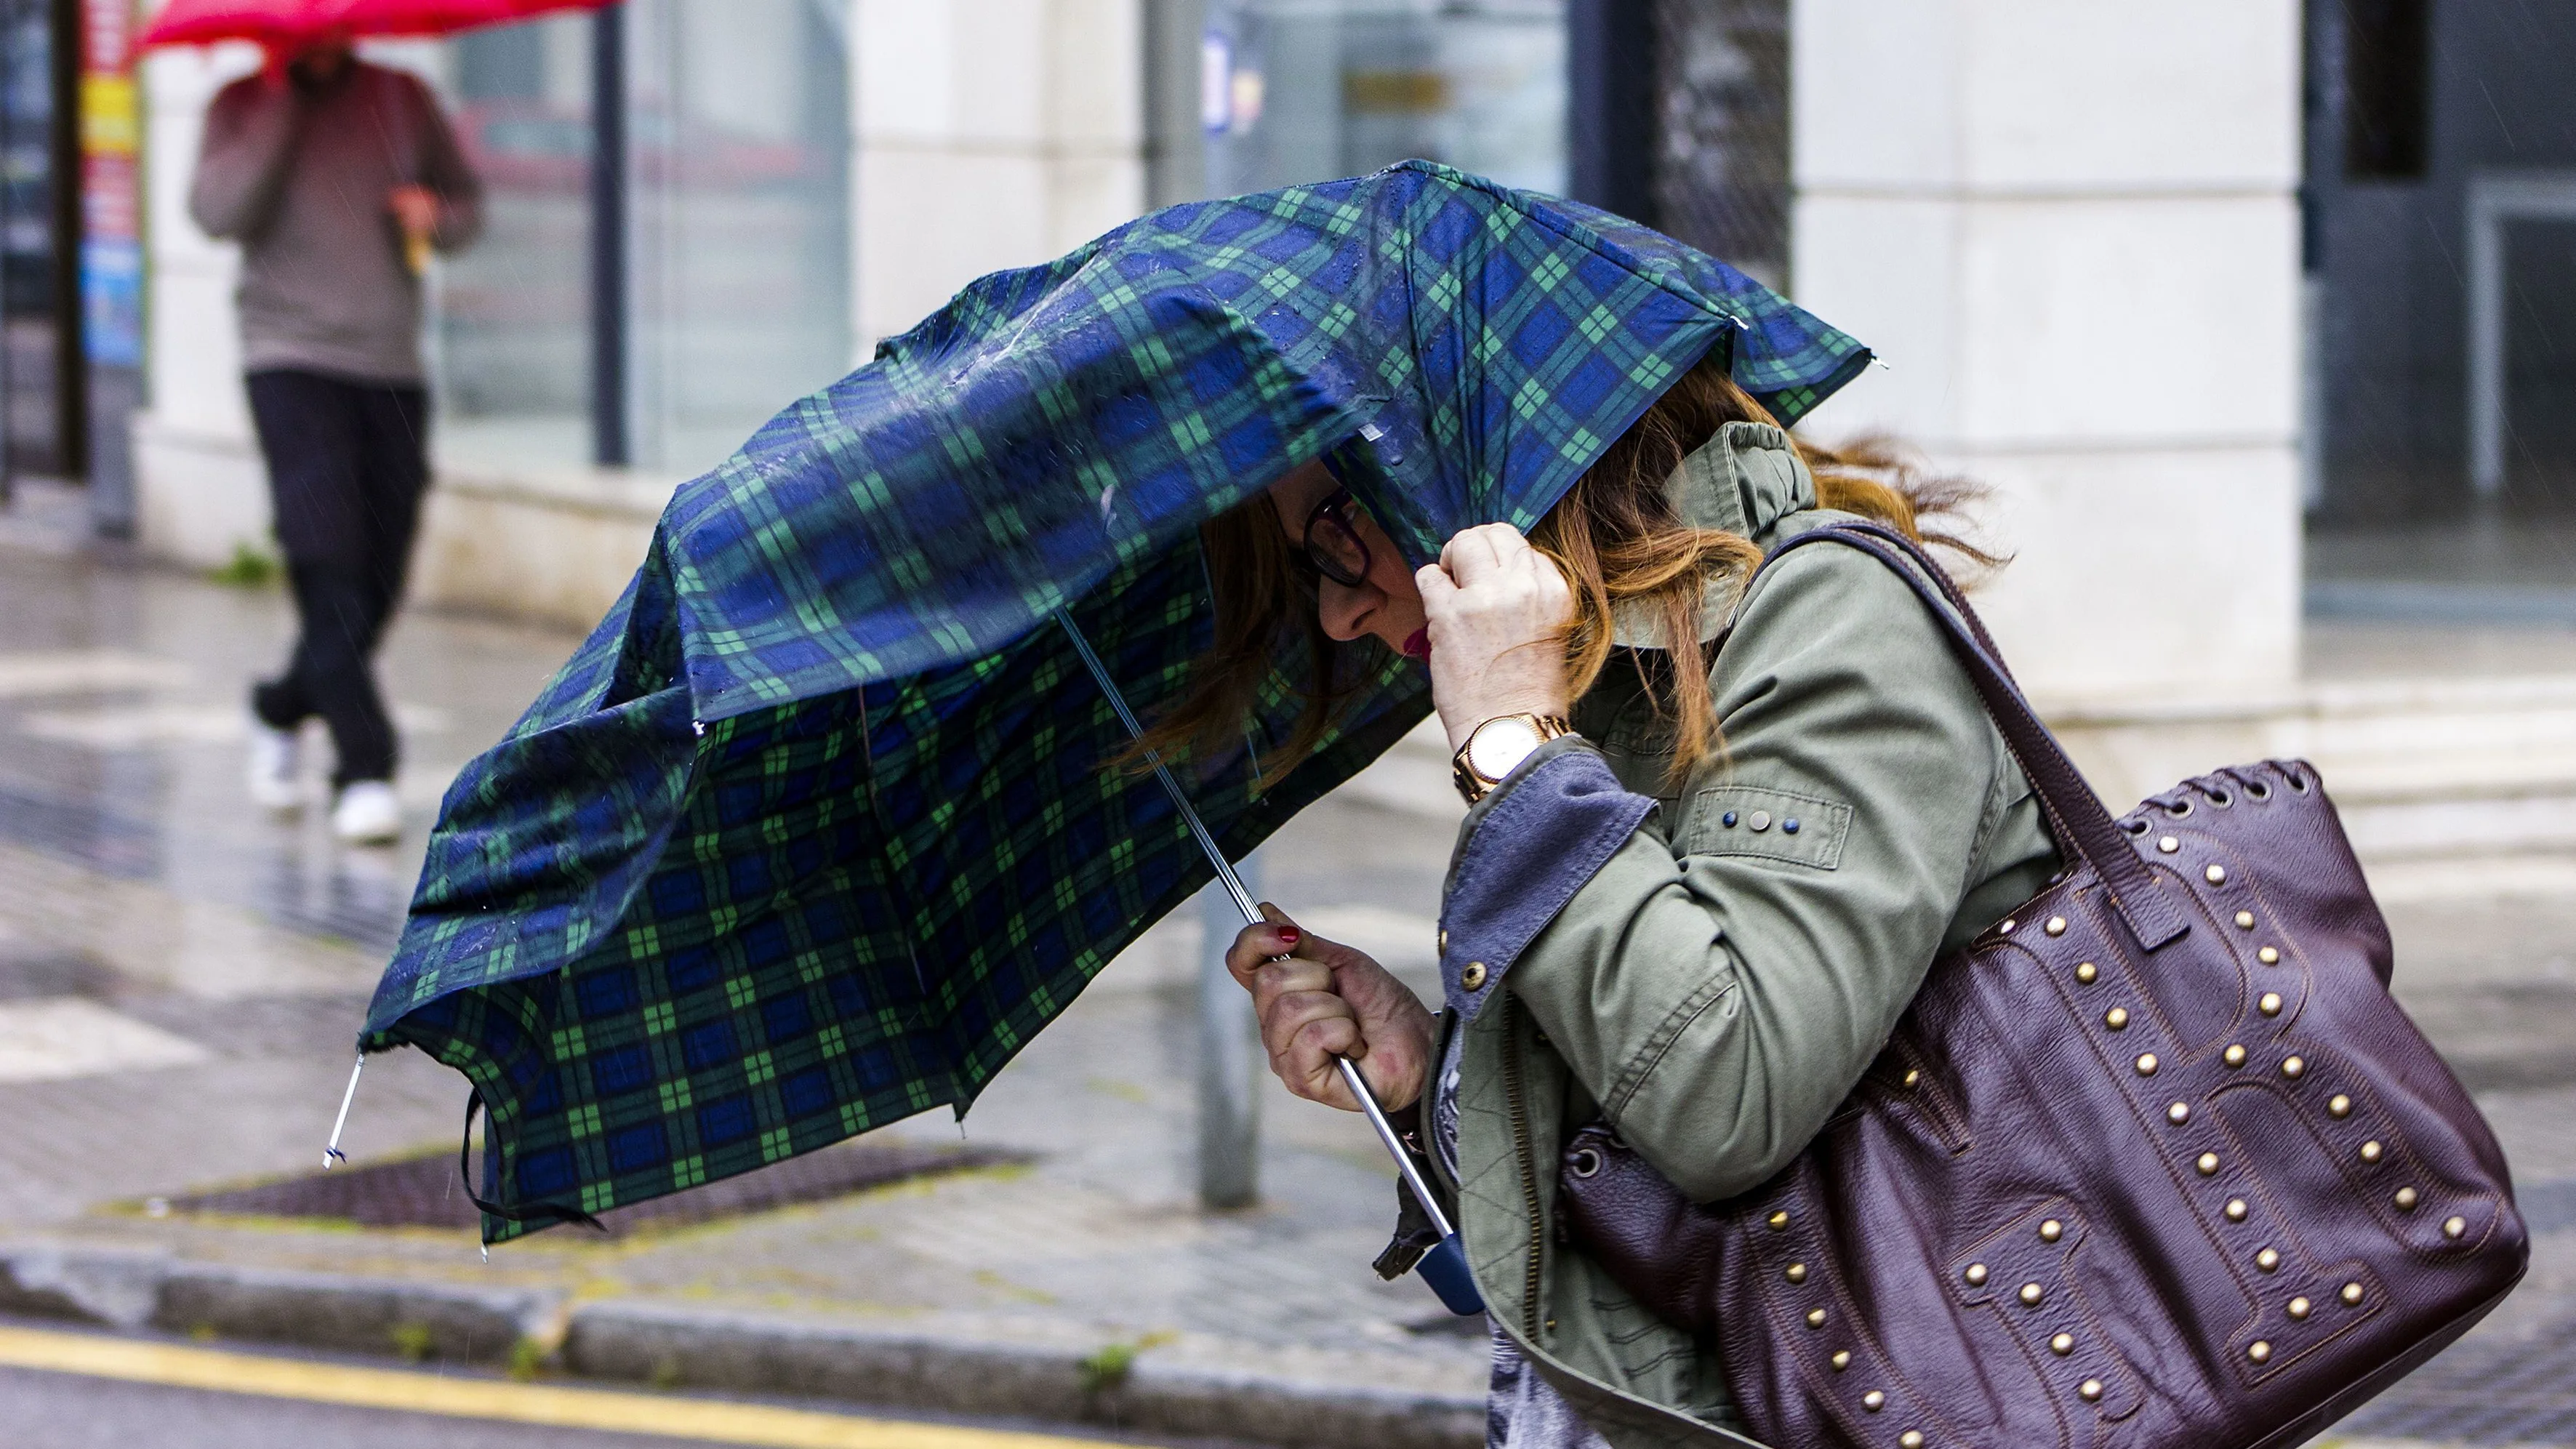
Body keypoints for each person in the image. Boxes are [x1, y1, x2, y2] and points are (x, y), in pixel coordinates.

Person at [1173, 357, 2058, 1446]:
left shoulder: (1828, 619)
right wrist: (1429, 1083)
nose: (1338, 610)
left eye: (1335, 536)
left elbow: (1728, 1096)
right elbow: (1640, 1192)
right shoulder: (1589, 695)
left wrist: (1514, 749)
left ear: (1465, 463)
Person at [188, 37, 483, 843]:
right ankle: (366, 763)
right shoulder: (241, 105)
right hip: (287, 358)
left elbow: (466, 210)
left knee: (378, 577)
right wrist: (285, 105)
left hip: (390, 363)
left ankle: (279, 705)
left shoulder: (402, 97)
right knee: (327, 555)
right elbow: (218, 215)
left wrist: (438, 215)